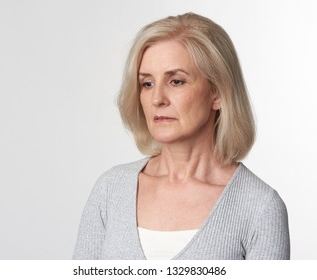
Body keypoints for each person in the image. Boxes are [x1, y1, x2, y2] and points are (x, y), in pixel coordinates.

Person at [73, 12, 290, 260]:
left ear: (217, 93)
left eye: (176, 81)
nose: (157, 99)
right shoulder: (111, 189)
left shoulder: (259, 207)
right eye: (147, 84)